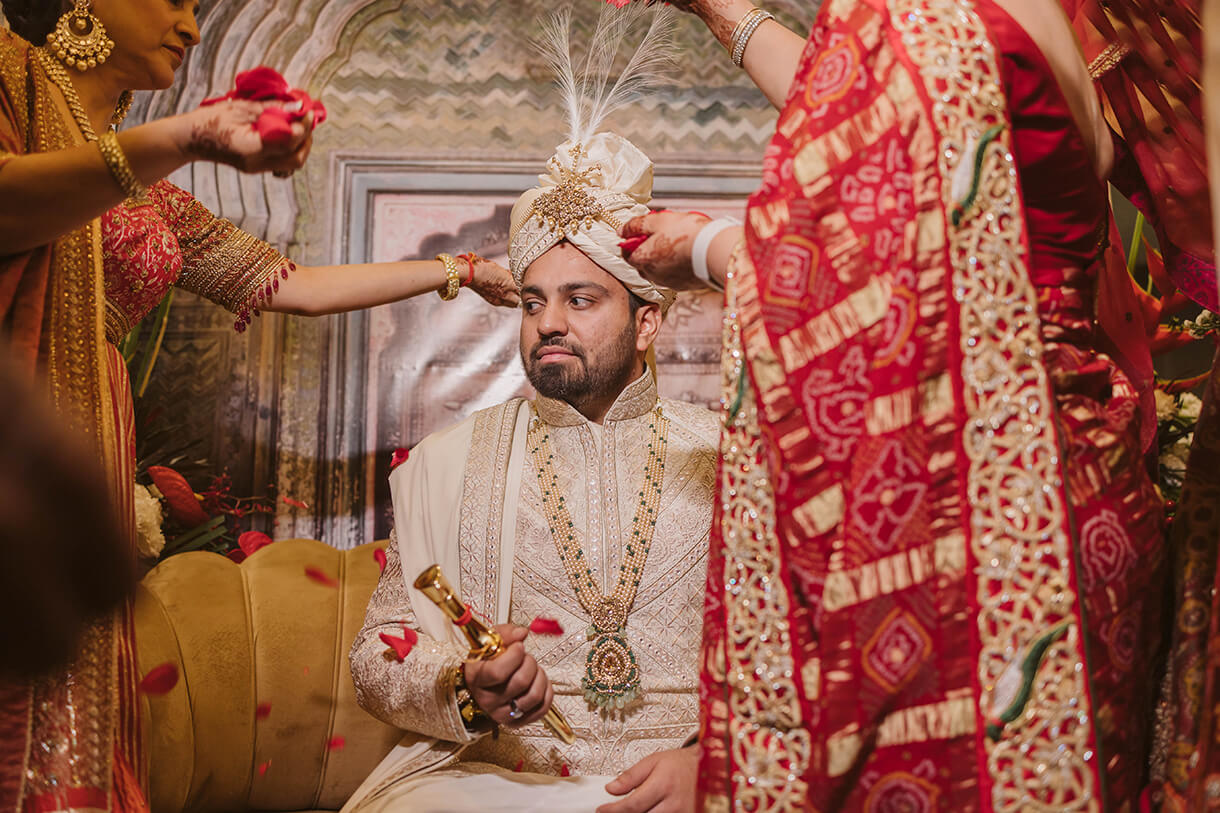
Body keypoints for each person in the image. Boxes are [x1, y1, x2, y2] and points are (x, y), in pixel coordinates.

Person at [620, 0, 1205, 808]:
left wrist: (707, 249)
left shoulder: (919, 18)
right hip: (1079, 491)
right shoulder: (1038, 14)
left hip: (984, 523)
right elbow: (929, 170)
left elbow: (855, 286)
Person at [0, 1, 518, 809]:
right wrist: (188, 136)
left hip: (94, 423)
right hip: (22, 420)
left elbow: (295, 286)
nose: (191, 25)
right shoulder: (9, 80)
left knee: (73, 692)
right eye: (174, 0)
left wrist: (461, 270)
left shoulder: (155, 202)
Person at [345, 125, 718, 813]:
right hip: (504, 782)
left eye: (580, 300)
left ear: (646, 323)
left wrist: (712, 759)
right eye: (533, 302)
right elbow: (376, 656)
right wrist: (467, 685)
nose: (548, 323)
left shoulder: (727, 455)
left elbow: (798, 644)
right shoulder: (453, 461)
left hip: (692, 778)